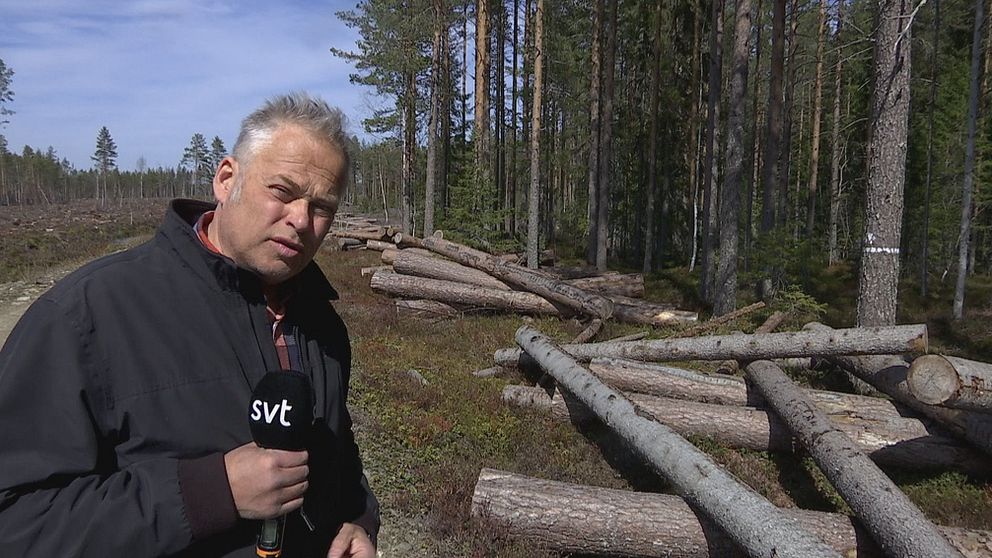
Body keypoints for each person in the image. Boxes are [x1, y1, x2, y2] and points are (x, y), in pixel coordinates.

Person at [0, 92, 379, 557]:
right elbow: (16, 521)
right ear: (226, 179)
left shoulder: (321, 322)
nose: (301, 219)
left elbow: (338, 452)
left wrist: (357, 519)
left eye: (322, 207)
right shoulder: (88, 315)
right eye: (282, 191)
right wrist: (210, 493)